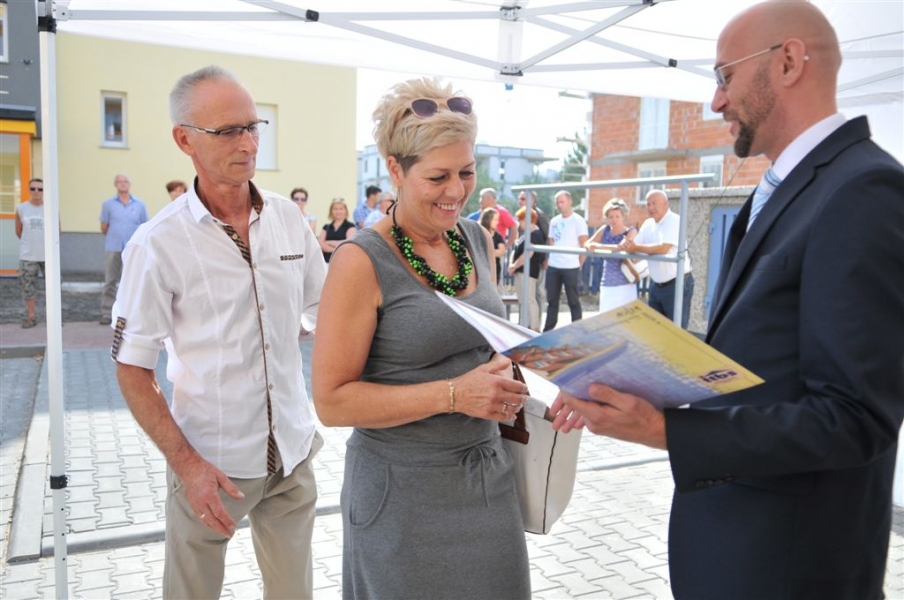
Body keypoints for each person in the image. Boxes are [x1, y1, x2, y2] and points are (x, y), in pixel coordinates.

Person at [552, 3, 904, 598]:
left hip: (789, 567)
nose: (716, 101)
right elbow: (763, 355)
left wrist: (667, 431)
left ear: (788, 62)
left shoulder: (863, 189)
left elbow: (854, 419)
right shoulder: (790, 187)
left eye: (725, 76)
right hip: (739, 547)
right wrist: (634, 377)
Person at [112, 65, 327, 600]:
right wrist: (188, 467)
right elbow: (133, 368)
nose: (248, 143)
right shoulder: (156, 243)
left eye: (252, 126)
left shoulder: (288, 219)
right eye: (228, 131)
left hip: (292, 452)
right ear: (184, 139)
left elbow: (326, 314)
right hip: (211, 463)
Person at [312, 77, 531, 600]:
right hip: (401, 497)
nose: (456, 191)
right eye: (437, 176)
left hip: (486, 483)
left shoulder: (476, 239)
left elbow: (486, 347)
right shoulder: (360, 261)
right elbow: (331, 402)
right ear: (395, 169)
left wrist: (546, 372)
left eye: (466, 172)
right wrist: (454, 394)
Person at [621, 189, 693, 328]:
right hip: (656, 285)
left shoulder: (675, 220)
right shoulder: (648, 224)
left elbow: (663, 248)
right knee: (655, 329)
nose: (651, 207)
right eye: (648, 204)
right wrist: (627, 244)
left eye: (654, 203)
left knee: (676, 330)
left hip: (676, 284)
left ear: (666, 204)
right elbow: (635, 245)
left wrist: (635, 247)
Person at [99, 173, 148, 325]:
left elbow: (144, 226)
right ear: (115, 185)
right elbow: (104, 227)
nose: (123, 184)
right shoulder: (108, 204)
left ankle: (133, 314)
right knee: (110, 280)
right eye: (119, 182)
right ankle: (107, 313)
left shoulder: (140, 205)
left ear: (129, 184)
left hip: (133, 249)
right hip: (113, 247)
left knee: (134, 281)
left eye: (125, 181)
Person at [543, 190, 588, 331]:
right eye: (557, 202)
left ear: (570, 202)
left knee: (573, 301)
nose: (559, 205)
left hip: (570, 266)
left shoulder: (578, 221)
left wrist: (579, 264)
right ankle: (548, 331)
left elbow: (584, 244)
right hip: (554, 265)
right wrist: (548, 259)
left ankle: (577, 330)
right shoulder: (554, 221)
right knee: (552, 301)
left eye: (562, 202)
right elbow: (551, 241)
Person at [584, 198, 638, 312]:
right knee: (606, 315)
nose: (614, 220)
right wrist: (590, 246)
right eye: (611, 216)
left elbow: (621, 247)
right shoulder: (605, 229)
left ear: (623, 216)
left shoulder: (631, 231)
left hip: (626, 281)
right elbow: (587, 243)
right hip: (607, 280)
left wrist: (599, 246)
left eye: (617, 216)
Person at [508, 207, 546, 331]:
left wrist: (514, 265)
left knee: (529, 300)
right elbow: (516, 250)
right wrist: (512, 264)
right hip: (521, 271)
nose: (519, 223)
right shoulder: (526, 234)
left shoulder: (535, 234)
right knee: (523, 300)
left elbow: (528, 254)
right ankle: (525, 326)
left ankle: (534, 327)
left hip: (528, 272)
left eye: (521, 220)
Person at [15, 178, 46, 328]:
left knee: (53, 287)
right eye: (33, 188)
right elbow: (18, 231)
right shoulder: (21, 208)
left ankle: (53, 318)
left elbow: (57, 230)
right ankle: (31, 316)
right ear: (29, 190)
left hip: (48, 256)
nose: (36, 192)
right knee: (28, 287)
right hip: (28, 255)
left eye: (40, 189)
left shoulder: (51, 208)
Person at [319, 198, 356, 262]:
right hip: (327, 261)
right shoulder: (326, 227)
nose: (338, 211)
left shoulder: (350, 226)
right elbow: (320, 244)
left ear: (345, 211)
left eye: (341, 209)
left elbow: (348, 243)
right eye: (335, 209)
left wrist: (329, 242)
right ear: (331, 211)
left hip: (343, 260)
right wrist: (334, 250)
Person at [479, 207, 506, 288]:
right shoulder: (479, 233)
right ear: (488, 219)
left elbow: (502, 251)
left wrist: (486, 252)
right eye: (495, 219)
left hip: (495, 270)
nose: (497, 222)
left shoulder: (498, 236)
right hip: (481, 270)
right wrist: (494, 252)